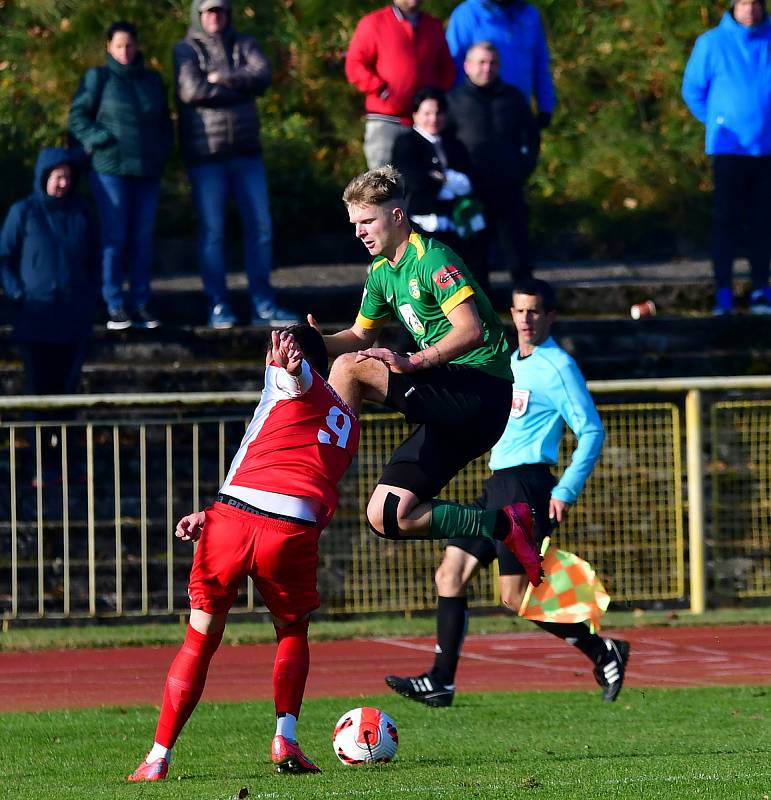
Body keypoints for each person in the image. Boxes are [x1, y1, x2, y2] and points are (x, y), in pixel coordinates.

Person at [128, 325, 359, 781]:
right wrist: (212, 512)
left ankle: (157, 757)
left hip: (234, 521)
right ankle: (285, 738)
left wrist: (291, 369)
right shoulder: (348, 424)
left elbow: (298, 383)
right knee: (292, 632)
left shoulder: (294, 380)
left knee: (199, 639)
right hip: (287, 528)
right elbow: (285, 463)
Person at [385, 278, 630, 707]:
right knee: (450, 573)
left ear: (550, 316)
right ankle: (441, 681)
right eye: (518, 311)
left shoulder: (557, 366)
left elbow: (591, 430)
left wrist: (566, 490)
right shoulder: (509, 359)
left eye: (534, 311)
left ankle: (602, 650)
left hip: (527, 484)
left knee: (514, 595)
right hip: (497, 483)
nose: (525, 319)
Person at [308, 166, 543, 586]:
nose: (359, 232)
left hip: (480, 392)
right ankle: (506, 525)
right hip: (451, 402)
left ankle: (315, 481)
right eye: (354, 224)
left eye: (367, 221)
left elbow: (469, 331)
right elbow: (359, 335)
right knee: (387, 514)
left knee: (349, 369)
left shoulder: (432, 256)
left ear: (397, 216)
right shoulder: (381, 272)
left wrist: (413, 362)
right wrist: (312, 342)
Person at [173, 0, 298, 328]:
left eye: (221, 10)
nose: (215, 17)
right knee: (213, 233)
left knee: (261, 229)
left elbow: (263, 73)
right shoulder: (186, 50)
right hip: (207, 157)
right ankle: (218, 306)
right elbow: (191, 90)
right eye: (209, 11)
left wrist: (222, 77)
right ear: (198, 15)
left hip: (246, 153)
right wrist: (240, 89)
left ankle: (264, 305)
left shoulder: (245, 43)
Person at [0, 147, 99, 485]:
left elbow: (94, 259)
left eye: (67, 178)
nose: (62, 183)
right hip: (35, 321)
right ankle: (42, 465)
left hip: (72, 322)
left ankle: (69, 463)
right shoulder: (23, 212)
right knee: (37, 397)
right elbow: (5, 257)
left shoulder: (81, 213)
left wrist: (89, 299)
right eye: (57, 177)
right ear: (44, 177)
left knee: (68, 397)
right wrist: (17, 294)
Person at [68, 21, 172, 331]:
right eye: (118, 46)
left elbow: (165, 123)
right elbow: (77, 116)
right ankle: (114, 304)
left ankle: (140, 303)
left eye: (129, 45)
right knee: (114, 238)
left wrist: (161, 152)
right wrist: (101, 139)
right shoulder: (98, 78)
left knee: (142, 239)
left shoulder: (152, 80)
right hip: (110, 171)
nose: (125, 51)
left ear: (137, 45)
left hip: (147, 173)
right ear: (108, 48)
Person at [682, 0, 771, 315]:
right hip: (729, 151)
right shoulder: (711, 43)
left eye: (756, 3)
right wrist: (719, 121)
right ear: (734, 6)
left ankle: (761, 289)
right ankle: (724, 294)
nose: (750, 10)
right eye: (744, 3)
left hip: (766, 150)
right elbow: (693, 90)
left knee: (763, 223)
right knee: (726, 223)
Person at [446, 41, 540, 287]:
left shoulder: (513, 98)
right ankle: (479, 320)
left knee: (518, 255)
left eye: (492, 63)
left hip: (508, 187)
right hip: (471, 193)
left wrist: (523, 167)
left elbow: (531, 136)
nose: (486, 68)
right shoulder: (454, 101)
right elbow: (444, 143)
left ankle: (530, 312)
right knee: (474, 261)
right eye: (481, 62)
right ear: (467, 66)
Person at [391, 87, 488, 292]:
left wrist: (441, 178)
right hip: (423, 222)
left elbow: (469, 181)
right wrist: (444, 181)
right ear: (415, 114)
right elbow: (413, 180)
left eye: (438, 113)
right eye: (427, 113)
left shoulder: (454, 144)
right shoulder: (406, 143)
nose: (433, 119)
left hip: (455, 222)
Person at [345, 0, 456, 170]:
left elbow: (446, 68)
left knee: (427, 184)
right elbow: (355, 65)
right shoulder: (374, 23)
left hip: (426, 124)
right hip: (387, 121)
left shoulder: (432, 26)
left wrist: (436, 99)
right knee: (385, 186)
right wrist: (381, 90)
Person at [446, 0, 556, 130]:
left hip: (518, 112)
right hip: (476, 114)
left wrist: (546, 106)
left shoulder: (529, 15)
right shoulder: (467, 14)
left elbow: (540, 64)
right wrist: (453, 107)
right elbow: (453, 66)